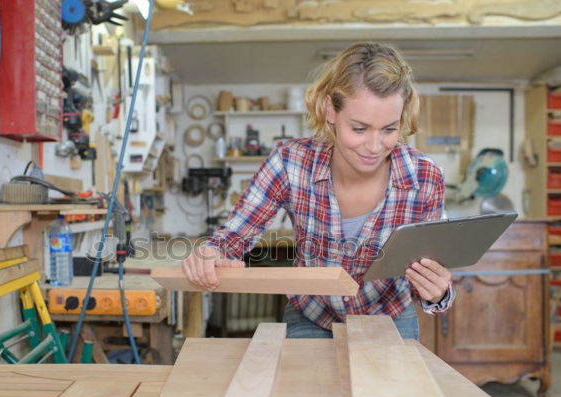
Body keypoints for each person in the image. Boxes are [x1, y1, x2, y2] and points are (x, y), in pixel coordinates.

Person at [182, 41, 455, 340]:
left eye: (389, 129)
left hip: (389, 318)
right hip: (311, 316)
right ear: (330, 110)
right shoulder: (290, 162)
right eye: (360, 129)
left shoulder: (425, 177)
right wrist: (212, 252)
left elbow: (425, 278)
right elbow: (234, 236)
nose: (375, 146)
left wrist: (436, 291)